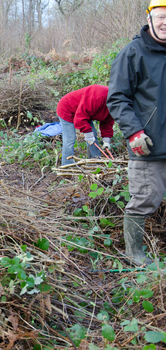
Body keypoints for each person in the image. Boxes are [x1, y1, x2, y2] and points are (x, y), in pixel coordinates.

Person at [106, 0, 166, 266]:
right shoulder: (133, 52)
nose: (165, 22)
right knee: (144, 199)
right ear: (150, 18)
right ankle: (134, 254)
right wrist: (134, 133)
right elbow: (117, 98)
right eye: (161, 16)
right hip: (148, 143)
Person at [57, 85, 114, 166]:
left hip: (84, 112)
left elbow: (108, 121)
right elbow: (80, 117)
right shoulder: (98, 97)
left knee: (93, 135)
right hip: (67, 108)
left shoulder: (115, 104)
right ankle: (67, 165)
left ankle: (95, 161)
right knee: (70, 139)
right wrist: (87, 134)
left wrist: (106, 140)